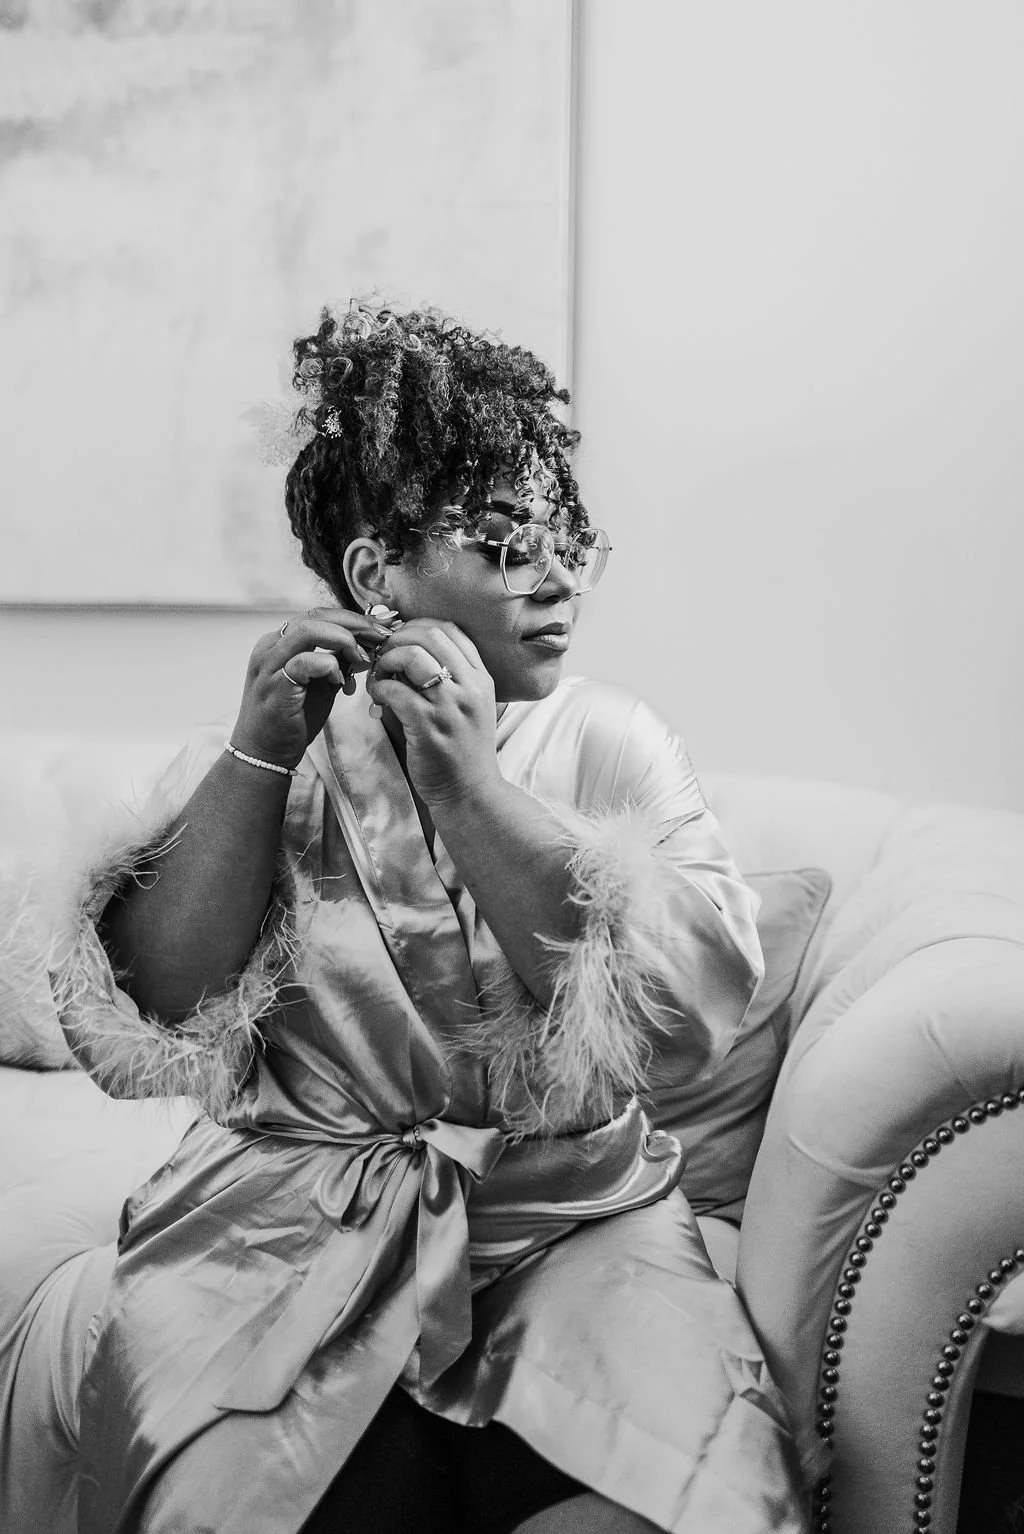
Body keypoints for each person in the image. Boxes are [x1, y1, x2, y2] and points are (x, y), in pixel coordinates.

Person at [59, 302, 808, 1533]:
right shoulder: (274, 749)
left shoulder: (613, 741)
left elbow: (679, 1027)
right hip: (288, 1223)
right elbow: (148, 1019)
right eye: (507, 542)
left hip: (571, 1223)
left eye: (567, 540)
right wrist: (255, 758)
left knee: (687, 1503)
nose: (557, 578)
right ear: (375, 576)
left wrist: (470, 791)